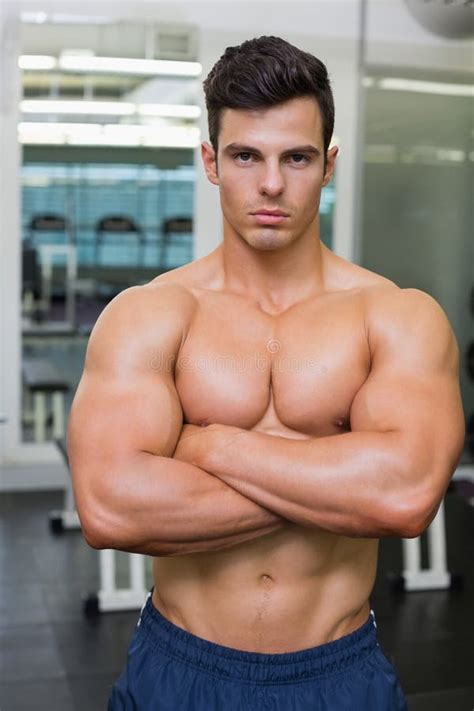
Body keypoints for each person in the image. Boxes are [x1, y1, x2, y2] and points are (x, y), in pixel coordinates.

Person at [68, 36, 465, 711]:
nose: (272, 184)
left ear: (329, 163)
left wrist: (205, 443)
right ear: (211, 162)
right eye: (246, 155)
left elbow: (401, 497)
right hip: (178, 668)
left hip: (337, 673)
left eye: (297, 157)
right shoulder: (150, 314)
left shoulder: (396, 315)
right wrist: (336, 478)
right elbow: (109, 505)